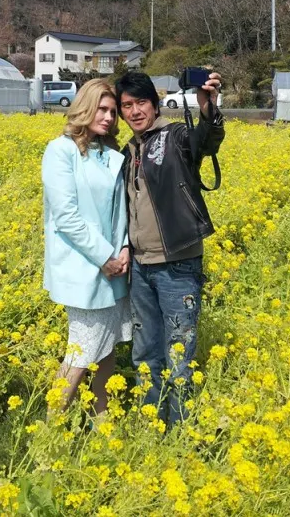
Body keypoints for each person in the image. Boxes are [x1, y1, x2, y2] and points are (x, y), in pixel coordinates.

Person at [115, 70, 224, 424]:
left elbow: (204, 142)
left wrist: (208, 109)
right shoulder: (128, 150)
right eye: (126, 106)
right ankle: (151, 425)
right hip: (141, 268)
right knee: (145, 354)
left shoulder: (174, 136)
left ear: (155, 103)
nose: (134, 111)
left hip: (177, 265)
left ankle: (180, 435)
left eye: (141, 102)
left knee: (179, 358)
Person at [42, 79, 131, 415]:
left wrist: (124, 249)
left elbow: (120, 212)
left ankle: (101, 420)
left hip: (113, 269)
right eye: (102, 109)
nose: (108, 117)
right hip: (84, 269)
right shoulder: (60, 150)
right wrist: (105, 256)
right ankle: (49, 432)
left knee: (107, 349)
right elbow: (66, 216)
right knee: (81, 352)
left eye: (112, 111)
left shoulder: (111, 156)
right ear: (85, 107)